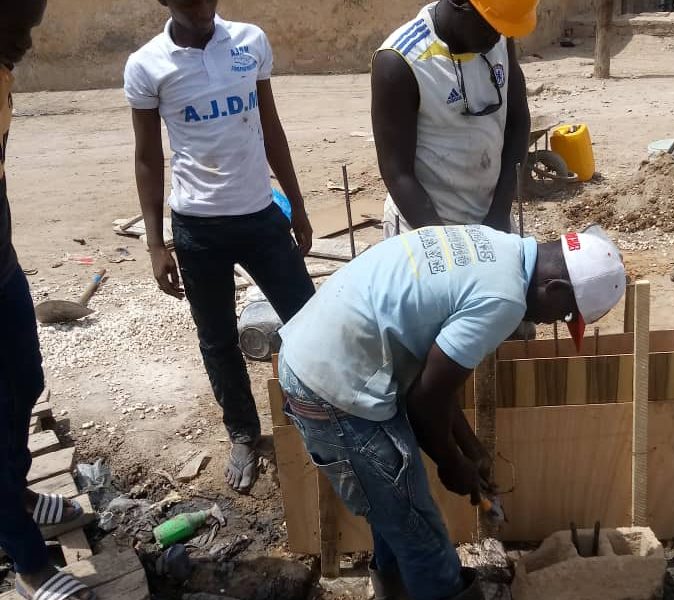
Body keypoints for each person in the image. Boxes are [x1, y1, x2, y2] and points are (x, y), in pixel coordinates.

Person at [278, 224, 626, 599]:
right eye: (567, 314)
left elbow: (436, 381)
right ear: (555, 289)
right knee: (420, 531)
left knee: (392, 509)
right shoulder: (505, 300)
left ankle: (395, 591)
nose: (554, 322)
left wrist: (471, 450)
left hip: (323, 356)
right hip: (335, 385)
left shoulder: (497, 246)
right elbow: (424, 401)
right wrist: (451, 463)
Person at [124, 0, 315, 493]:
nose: (202, 6)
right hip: (198, 229)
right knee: (218, 339)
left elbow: (271, 128)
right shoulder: (147, 65)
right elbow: (148, 157)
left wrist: (297, 205)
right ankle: (245, 434)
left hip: (260, 216)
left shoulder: (249, 42)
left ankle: (316, 416)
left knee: (310, 321)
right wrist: (155, 244)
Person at [1, 2, 95, 599]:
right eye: (21, 23)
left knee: (26, 382)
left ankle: (19, 492)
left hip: (1, 269)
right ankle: (31, 565)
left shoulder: (1, 74)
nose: (31, 40)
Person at [372, 0, 538, 239]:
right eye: (490, 26)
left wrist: (500, 212)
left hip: (491, 218)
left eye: (503, 29)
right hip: (423, 227)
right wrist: (450, 247)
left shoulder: (497, 38)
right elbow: (398, 173)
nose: (496, 37)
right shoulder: (401, 61)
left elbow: (518, 122)